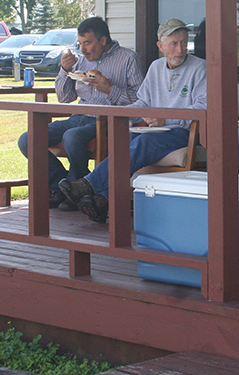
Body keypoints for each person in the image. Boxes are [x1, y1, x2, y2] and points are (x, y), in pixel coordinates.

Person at [58, 18, 207, 224]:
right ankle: (103, 201)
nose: (180, 49)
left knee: (143, 143)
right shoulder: (156, 68)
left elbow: (203, 108)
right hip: (157, 131)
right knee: (124, 140)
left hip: (185, 132)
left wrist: (166, 118)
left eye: (183, 42)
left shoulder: (200, 68)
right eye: (174, 43)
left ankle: (88, 185)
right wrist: (118, 115)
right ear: (160, 46)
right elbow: (142, 102)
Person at [17, 16, 144, 210]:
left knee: (72, 137)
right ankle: (64, 187)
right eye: (80, 44)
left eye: (87, 43)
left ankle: (76, 189)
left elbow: (141, 101)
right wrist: (64, 70)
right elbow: (64, 98)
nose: (83, 49)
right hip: (78, 116)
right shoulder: (82, 62)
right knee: (28, 139)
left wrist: (110, 90)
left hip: (108, 120)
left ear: (103, 41)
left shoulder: (128, 59)